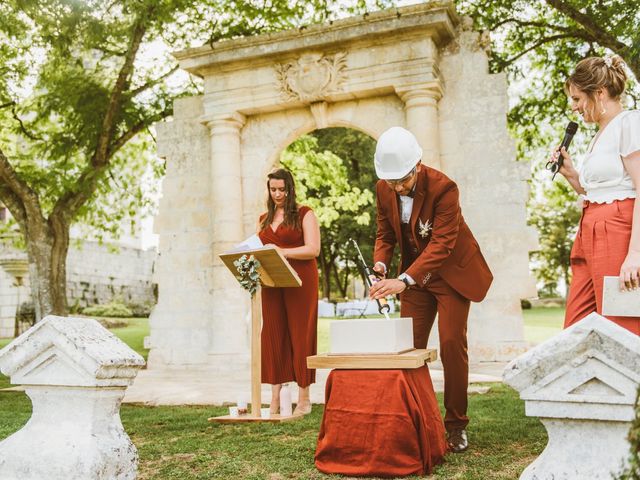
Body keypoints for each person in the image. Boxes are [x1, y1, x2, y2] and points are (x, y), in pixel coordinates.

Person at [368, 126, 493, 453]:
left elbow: (442, 245)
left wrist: (402, 280)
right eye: (392, 182)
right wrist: (381, 264)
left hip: (451, 274)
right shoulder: (385, 189)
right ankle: (415, 420)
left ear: (418, 166)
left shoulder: (444, 188)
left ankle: (455, 425)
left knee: (452, 345)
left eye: (403, 181)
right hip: (414, 278)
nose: (397, 188)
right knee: (409, 349)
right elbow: (385, 234)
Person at [549, 55, 640, 335]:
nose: (574, 107)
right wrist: (572, 175)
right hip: (589, 229)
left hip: (617, 230)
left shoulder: (629, 124)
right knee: (575, 328)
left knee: (619, 325)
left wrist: (635, 254)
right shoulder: (599, 134)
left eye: (577, 99)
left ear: (599, 94)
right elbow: (600, 190)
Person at [257, 168, 321, 415]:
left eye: (282, 189)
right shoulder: (263, 218)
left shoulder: (305, 214)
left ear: (290, 188)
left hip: (300, 280)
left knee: (300, 334)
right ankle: (275, 398)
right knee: (273, 334)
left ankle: (304, 398)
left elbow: (313, 249)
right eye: (273, 189)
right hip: (271, 281)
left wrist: (282, 251)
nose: (277, 194)